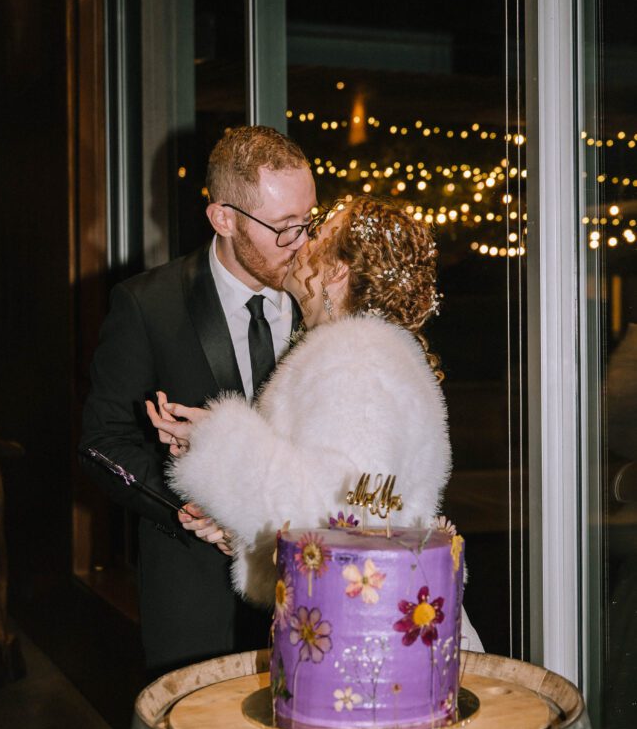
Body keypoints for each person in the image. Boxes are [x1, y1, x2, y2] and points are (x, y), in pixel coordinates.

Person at [148, 196, 483, 651]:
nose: (301, 242)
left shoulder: (355, 358)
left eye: (318, 234)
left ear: (338, 270)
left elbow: (333, 520)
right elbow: (347, 509)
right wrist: (233, 526)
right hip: (373, 618)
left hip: (368, 638)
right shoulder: (367, 352)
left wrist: (215, 438)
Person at [80, 125, 320, 675]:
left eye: (308, 220)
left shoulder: (323, 296)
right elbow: (102, 442)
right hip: (195, 595)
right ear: (223, 219)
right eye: (284, 227)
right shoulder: (147, 305)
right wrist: (193, 503)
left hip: (313, 587)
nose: (302, 243)